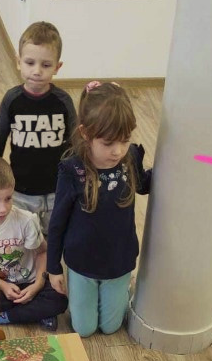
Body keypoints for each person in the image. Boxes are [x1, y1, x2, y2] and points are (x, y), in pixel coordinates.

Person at [47, 81, 152, 337]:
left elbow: (143, 185)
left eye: (125, 140)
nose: (118, 151)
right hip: (81, 263)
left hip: (119, 261)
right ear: (85, 133)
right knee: (83, 329)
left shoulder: (130, 158)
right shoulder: (72, 170)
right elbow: (57, 222)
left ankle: (124, 289)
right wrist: (53, 267)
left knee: (110, 327)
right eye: (108, 143)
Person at [0, 21, 76, 235]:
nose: (36, 71)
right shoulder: (12, 100)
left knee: (54, 236)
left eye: (46, 65)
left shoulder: (63, 101)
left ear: (57, 67)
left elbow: (76, 142)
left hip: (56, 190)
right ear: (18, 62)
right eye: (29, 63)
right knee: (21, 236)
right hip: (20, 191)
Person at [0, 153, 68, 330]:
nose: (3, 208)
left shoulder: (26, 220)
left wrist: (37, 285)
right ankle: (35, 313)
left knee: (58, 299)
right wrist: (3, 286)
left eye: (8, 198)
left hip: (29, 281)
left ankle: (4, 317)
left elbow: (42, 252)